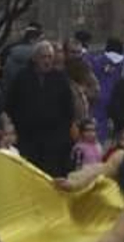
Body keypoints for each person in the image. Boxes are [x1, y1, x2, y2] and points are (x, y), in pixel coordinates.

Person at [7, 42, 76, 176]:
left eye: (50, 57)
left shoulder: (60, 78)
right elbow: (12, 104)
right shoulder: (22, 78)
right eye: (43, 57)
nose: (47, 61)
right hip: (28, 138)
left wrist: (63, 133)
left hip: (54, 140)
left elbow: (68, 108)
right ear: (35, 58)